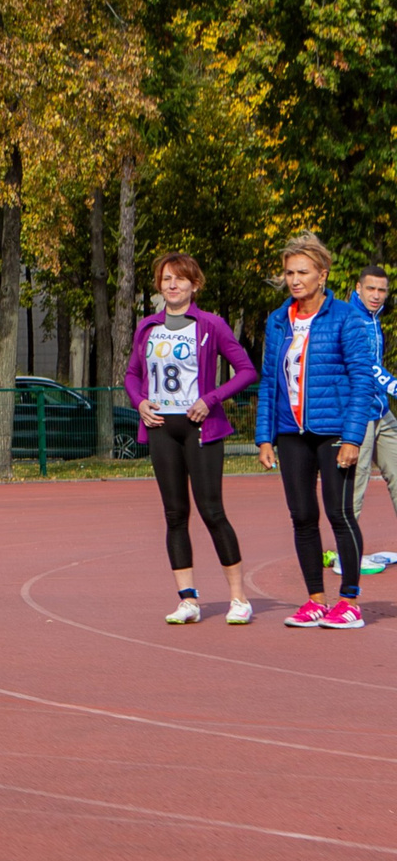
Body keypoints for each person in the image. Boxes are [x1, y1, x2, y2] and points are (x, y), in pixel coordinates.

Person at [122, 254, 256, 624]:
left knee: (212, 511)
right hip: (162, 427)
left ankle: (239, 599)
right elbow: (132, 375)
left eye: (180, 279)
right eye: (166, 279)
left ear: (194, 285)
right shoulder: (147, 327)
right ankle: (188, 600)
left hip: (201, 427)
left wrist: (210, 399)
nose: (172, 285)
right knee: (174, 514)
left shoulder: (211, 324)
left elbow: (246, 371)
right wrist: (140, 402)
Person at [255, 235, 378, 629]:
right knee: (302, 516)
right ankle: (315, 600)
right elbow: (269, 381)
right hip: (291, 433)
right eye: (289, 272)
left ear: (322, 274)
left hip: (335, 431)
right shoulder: (277, 320)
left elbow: (363, 381)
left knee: (339, 513)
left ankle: (350, 601)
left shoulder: (346, 318)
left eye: (303, 272)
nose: (294, 279)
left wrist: (354, 437)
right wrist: (264, 436)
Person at [345, 268, 397, 569]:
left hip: (381, 411)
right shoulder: (352, 319)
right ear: (358, 288)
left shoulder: (375, 321)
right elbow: (367, 367)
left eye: (382, 290)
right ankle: (346, 551)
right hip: (358, 414)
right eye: (371, 289)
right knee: (355, 483)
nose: (376, 295)